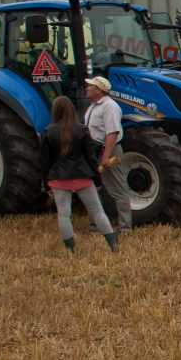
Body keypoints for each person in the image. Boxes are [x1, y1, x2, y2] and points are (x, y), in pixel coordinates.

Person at [41, 96, 118, 252]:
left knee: (63, 214)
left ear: (55, 111)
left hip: (58, 179)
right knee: (97, 211)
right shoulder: (82, 130)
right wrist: (97, 180)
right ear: (72, 110)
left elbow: (45, 162)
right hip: (82, 176)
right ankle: (113, 245)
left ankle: (71, 250)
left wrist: (46, 184)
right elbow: (91, 158)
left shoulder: (48, 133)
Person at [83, 76, 133, 231]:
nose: (86, 88)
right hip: (95, 151)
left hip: (107, 151)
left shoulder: (109, 106)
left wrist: (106, 156)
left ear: (98, 90)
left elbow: (112, 133)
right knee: (94, 189)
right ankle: (97, 224)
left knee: (118, 189)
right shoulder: (93, 107)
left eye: (90, 86)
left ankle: (125, 227)